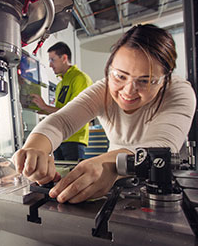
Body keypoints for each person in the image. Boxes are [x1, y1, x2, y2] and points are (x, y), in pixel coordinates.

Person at [13, 24, 196, 204]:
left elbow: (163, 147)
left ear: (165, 79)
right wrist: (36, 147)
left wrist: (112, 163)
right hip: (113, 179)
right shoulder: (104, 89)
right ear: (110, 68)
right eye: (120, 76)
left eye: (145, 81)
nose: (129, 91)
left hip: (159, 185)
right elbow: (62, 121)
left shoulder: (179, 92)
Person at [30, 42, 93, 161]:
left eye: (52, 60)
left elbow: (75, 113)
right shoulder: (60, 84)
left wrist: (46, 107)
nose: (50, 65)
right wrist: (44, 109)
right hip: (59, 138)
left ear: (64, 58)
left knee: (72, 177)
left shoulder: (80, 78)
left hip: (74, 140)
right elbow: (61, 113)